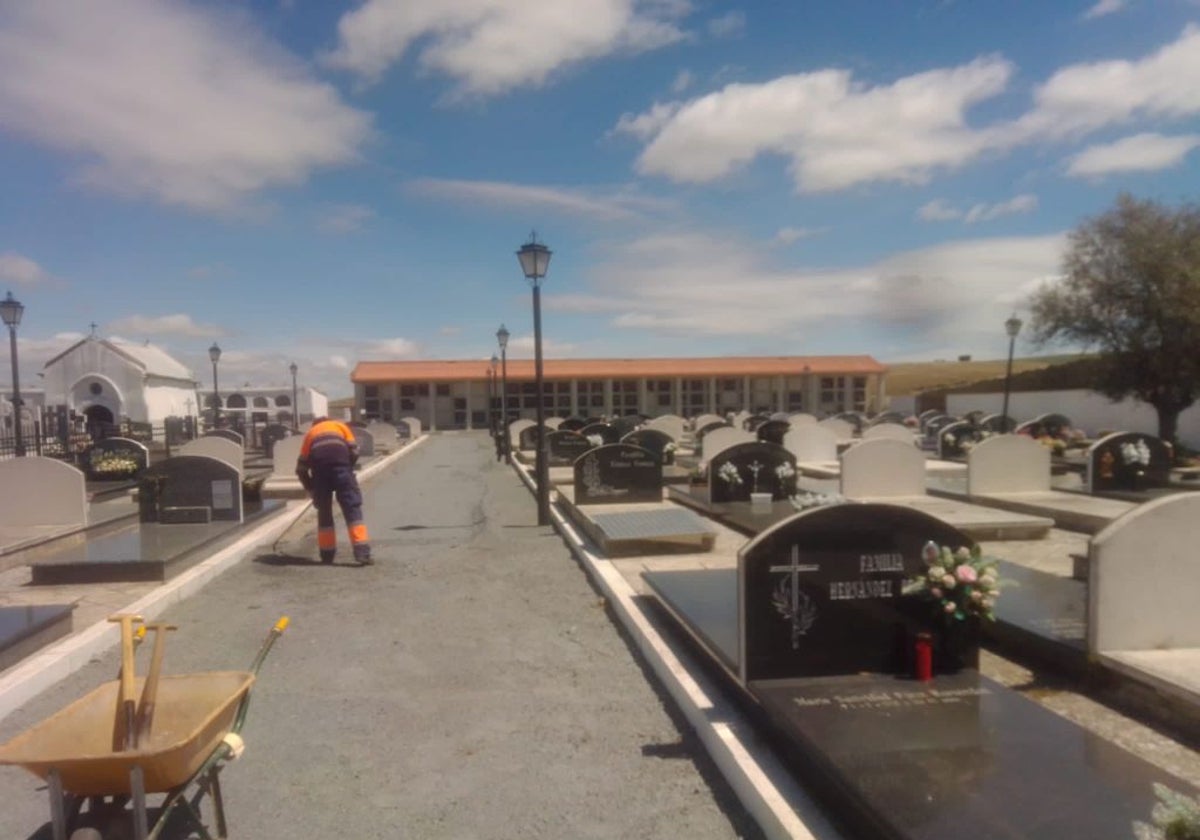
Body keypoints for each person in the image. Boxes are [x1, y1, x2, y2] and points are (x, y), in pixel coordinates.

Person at [296, 417, 373, 565]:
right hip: (342, 469)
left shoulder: (311, 433)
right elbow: (354, 451)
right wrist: (347, 469)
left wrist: (311, 489)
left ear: (314, 425)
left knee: (324, 512)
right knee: (352, 508)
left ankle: (327, 555)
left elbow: (301, 469)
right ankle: (362, 553)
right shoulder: (340, 426)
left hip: (320, 473)